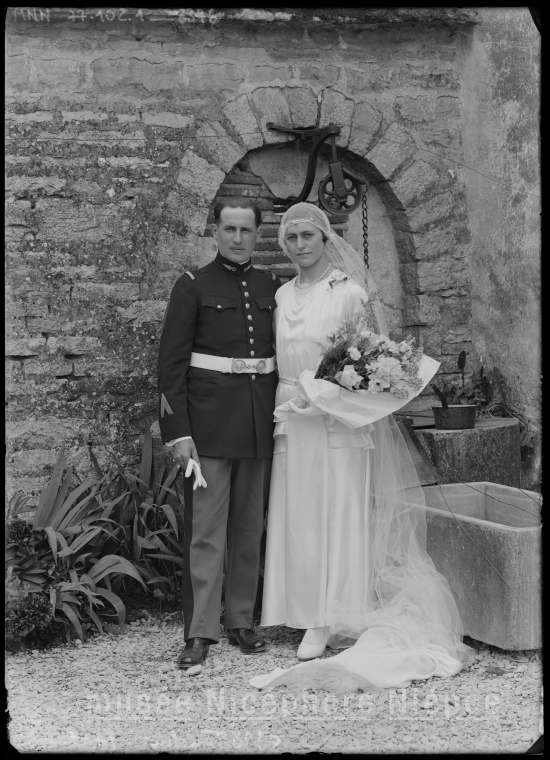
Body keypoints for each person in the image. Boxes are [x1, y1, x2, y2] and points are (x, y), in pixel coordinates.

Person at [250, 202, 474, 693]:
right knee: (299, 512)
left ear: (325, 238)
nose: (300, 245)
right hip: (291, 412)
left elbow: (366, 363)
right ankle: (299, 607)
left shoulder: (348, 292)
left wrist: (325, 398)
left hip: (337, 419)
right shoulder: (282, 295)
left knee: (338, 511)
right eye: (291, 238)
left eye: (308, 236)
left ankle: (333, 614)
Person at [158, 197, 282, 670]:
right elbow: (171, 366)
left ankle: (241, 621)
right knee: (206, 533)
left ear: (257, 234)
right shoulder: (192, 285)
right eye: (229, 229)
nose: (237, 237)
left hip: (258, 425)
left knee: (250, 529)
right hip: (207, 428)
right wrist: (178, 433)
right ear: (215, 232)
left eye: (246, 230)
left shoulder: (271, 286)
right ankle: (200, 630)